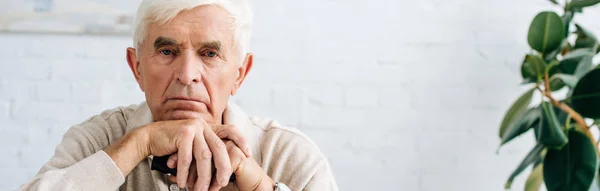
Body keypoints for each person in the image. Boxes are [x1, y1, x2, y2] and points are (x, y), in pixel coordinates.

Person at [19, 0, 338, 190]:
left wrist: (259, 188)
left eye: (210, 54)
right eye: (168, 50)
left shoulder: (293, 159)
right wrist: (138, 144)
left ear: (239, 74)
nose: (187, 74)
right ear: (137, 67)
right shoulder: (96, 140)